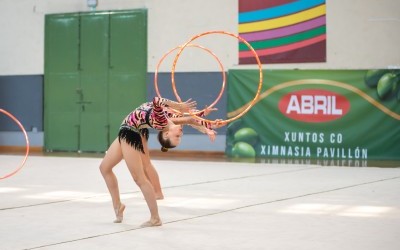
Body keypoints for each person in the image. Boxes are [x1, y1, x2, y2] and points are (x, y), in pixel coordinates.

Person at [99, 96, 225, 227]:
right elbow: (190, 118)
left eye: (177, 136)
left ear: (166, 134)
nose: (181, 133)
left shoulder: (161, 122)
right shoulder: (169, 119)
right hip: (125, 130)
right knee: (104, 168)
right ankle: (118, 205)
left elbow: (157, 101)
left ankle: (155, 218)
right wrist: (210, 124)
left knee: (139, 178)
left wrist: (179, 106)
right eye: (179, 136)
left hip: (131, 132)